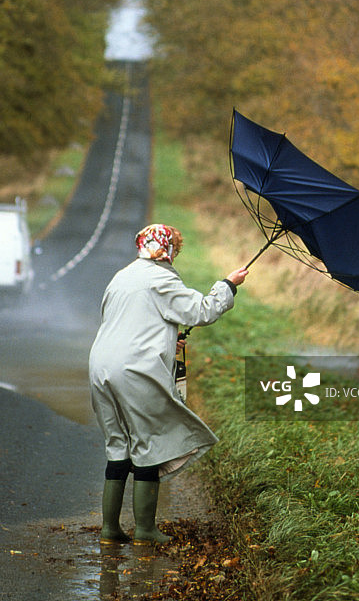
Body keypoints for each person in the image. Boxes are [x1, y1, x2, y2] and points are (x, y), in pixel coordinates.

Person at [89, 223, 248, 545]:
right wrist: (228, 285)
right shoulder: (161, 279)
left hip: (101, 366)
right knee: (151, 442)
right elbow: (203, 311)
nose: (176, 254)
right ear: (168, 249)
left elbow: (130, 322)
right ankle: (145, 531)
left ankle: (110, 530)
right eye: (176, 247)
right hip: (135, 369)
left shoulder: (123, 276)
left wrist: (167, 338)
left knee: (118, 443)